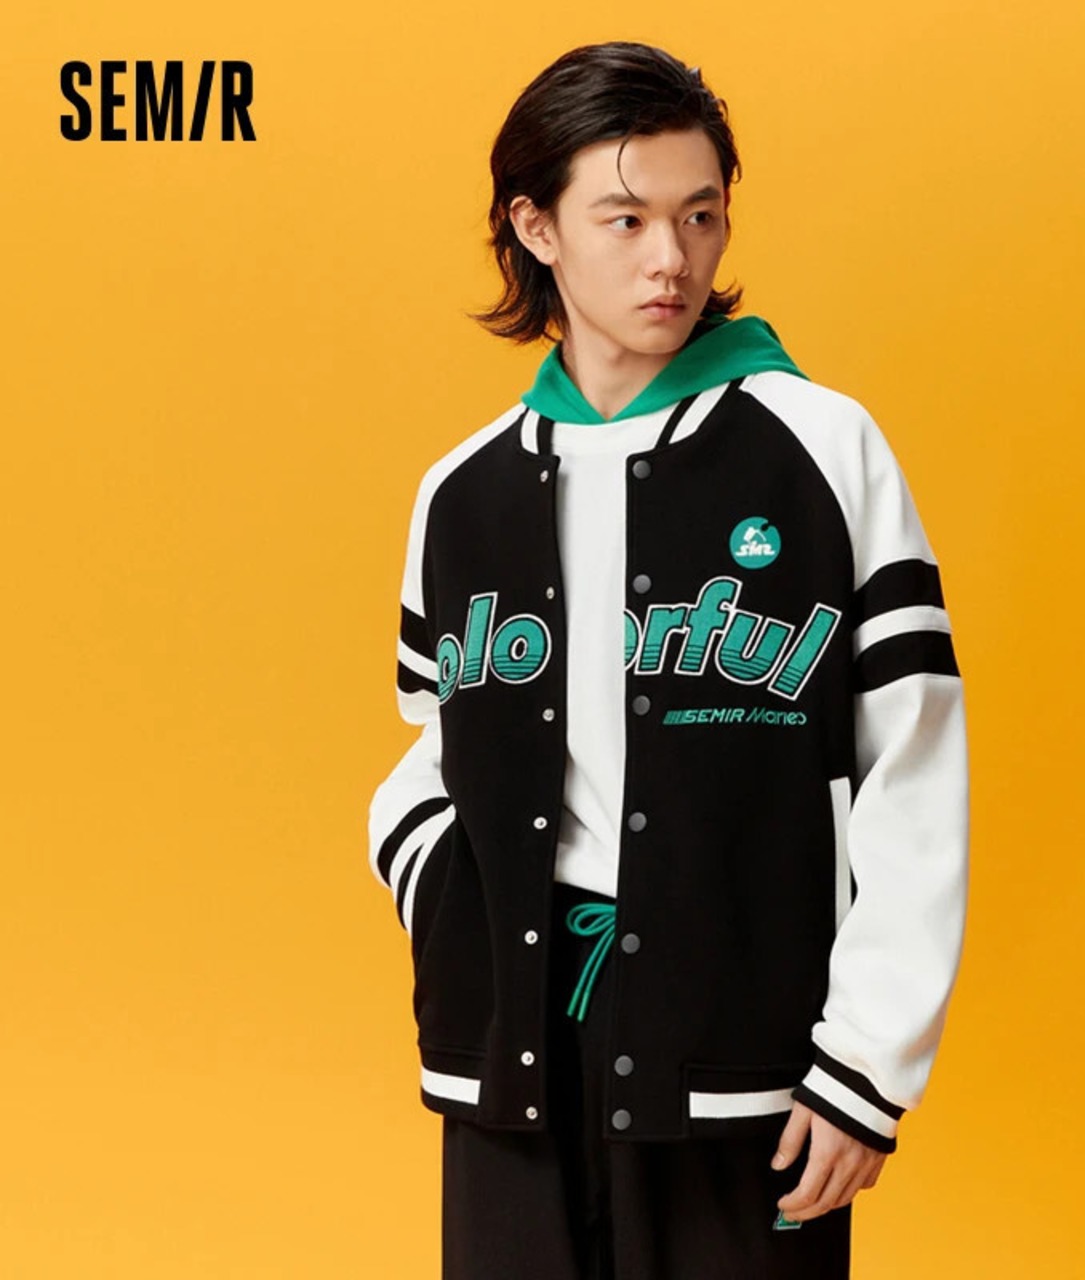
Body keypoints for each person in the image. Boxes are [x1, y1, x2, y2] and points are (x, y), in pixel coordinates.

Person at [368, 40, 970, 1280]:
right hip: (511, 1061)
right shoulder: (460, 492)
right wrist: (442, 895)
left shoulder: (819, 449)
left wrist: (865, 1064)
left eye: (700, 215)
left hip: (745, 1061)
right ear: (535, 227)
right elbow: (429, 744)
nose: (671, 258)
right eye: (626, 217)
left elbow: (912, 763)